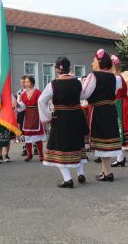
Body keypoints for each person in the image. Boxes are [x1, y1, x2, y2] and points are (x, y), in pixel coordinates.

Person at [38, 57, 89, 188]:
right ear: (69, 68)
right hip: (77, 115)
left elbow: (41, 101)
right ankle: (81, 173)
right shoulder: (78, 82)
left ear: (56, 69)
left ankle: (67, 179)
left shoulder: (53, 84)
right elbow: (83, 96)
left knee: (59, 146)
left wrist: (47, 116)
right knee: (78, 144)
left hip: (61, 117)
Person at [81, 49, 122, 181]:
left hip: (98, 110)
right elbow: (115, 93)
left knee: (102, 141)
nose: (92, 63)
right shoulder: (114, 77)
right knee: (107, 141)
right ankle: (105, 171)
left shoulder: (93, 76)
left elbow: (84, 94)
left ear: (99, 61)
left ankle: (108, 172)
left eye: (93, 60)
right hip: (110, 109)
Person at [16, 76, 45, 162]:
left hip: (36, 114)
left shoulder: (37, 92)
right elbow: (22, 106)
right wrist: (17, 105)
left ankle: (41, 155)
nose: (26, 84)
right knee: (27, 134)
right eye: (25, 82)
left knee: (37, 135)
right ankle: (29, 154)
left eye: (28, 82)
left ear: (32, 82)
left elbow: (42, 103)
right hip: (27, 115)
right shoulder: (23, 94)